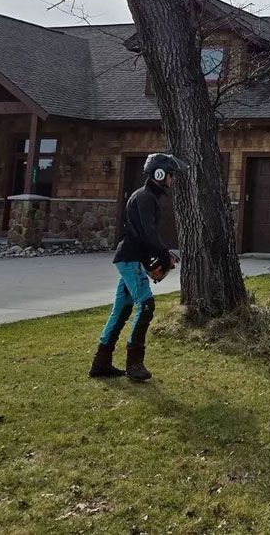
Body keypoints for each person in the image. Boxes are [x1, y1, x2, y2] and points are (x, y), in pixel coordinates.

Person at [89, 152, 185, 382]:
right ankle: (134, 364)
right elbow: (148, 233)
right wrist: (165, 254)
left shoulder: (147, 197)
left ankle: (101, 364)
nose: (172, 180)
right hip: (130, 258)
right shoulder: (145, 198)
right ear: (159, 174)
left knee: (121, 309)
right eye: (171, 175)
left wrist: (157, 258)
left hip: (132, 258)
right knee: (146, 306)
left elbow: (146, 234)